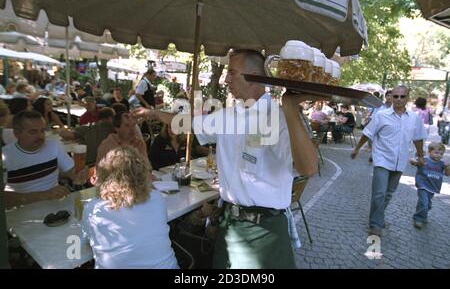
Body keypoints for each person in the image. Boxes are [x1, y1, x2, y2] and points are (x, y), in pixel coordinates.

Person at [132, 49, 318, 268]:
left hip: (262, 231)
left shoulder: (279, 117)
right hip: (229, 224)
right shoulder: (230, 115)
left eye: (232, 72)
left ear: (254, 75)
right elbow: (187, 122)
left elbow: (308, 169)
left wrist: (290, 107)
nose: (225, 79)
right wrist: (153, 114)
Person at [81, 146, 178, 269]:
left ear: (104, 176)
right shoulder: (157, 198)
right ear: (142, 173)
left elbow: (86, 242)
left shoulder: (93, 209)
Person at [351, 85, 427, 236]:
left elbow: (418, 138)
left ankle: (378, 217)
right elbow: (368, 133)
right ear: (391, 97)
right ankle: (375, 224)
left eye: (402, 96)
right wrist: (357, 148)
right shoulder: (381, 115)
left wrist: (421, 155)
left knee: (389, 193)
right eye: (395, 96)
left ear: (407, 98)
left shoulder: (414, 118)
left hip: (400, 161)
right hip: (382, 159)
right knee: (379, 193)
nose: (398, 99)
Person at [2, 110, 86, 208]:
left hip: (56, 205)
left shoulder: (53, 145)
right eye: (33, 132)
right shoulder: (5, 156)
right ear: (17, 134)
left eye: (42, 131)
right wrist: (45, 195)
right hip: (20, 211)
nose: (40, 136)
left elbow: (72, 172)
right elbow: (3, 198)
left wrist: (79, 174)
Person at [410, 142, 450, 229]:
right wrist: (415, 161)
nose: (439, 155)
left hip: (432, 187)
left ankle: (422, 213)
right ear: (429, 151)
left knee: (426, 204)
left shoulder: (442, 164)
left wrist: (448, 167)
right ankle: (418, 219)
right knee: (424, 203)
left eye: (441, 154)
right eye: (436, 153)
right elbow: (412, 160)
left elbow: (447, 174)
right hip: (423, 185)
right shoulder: (424, 160)